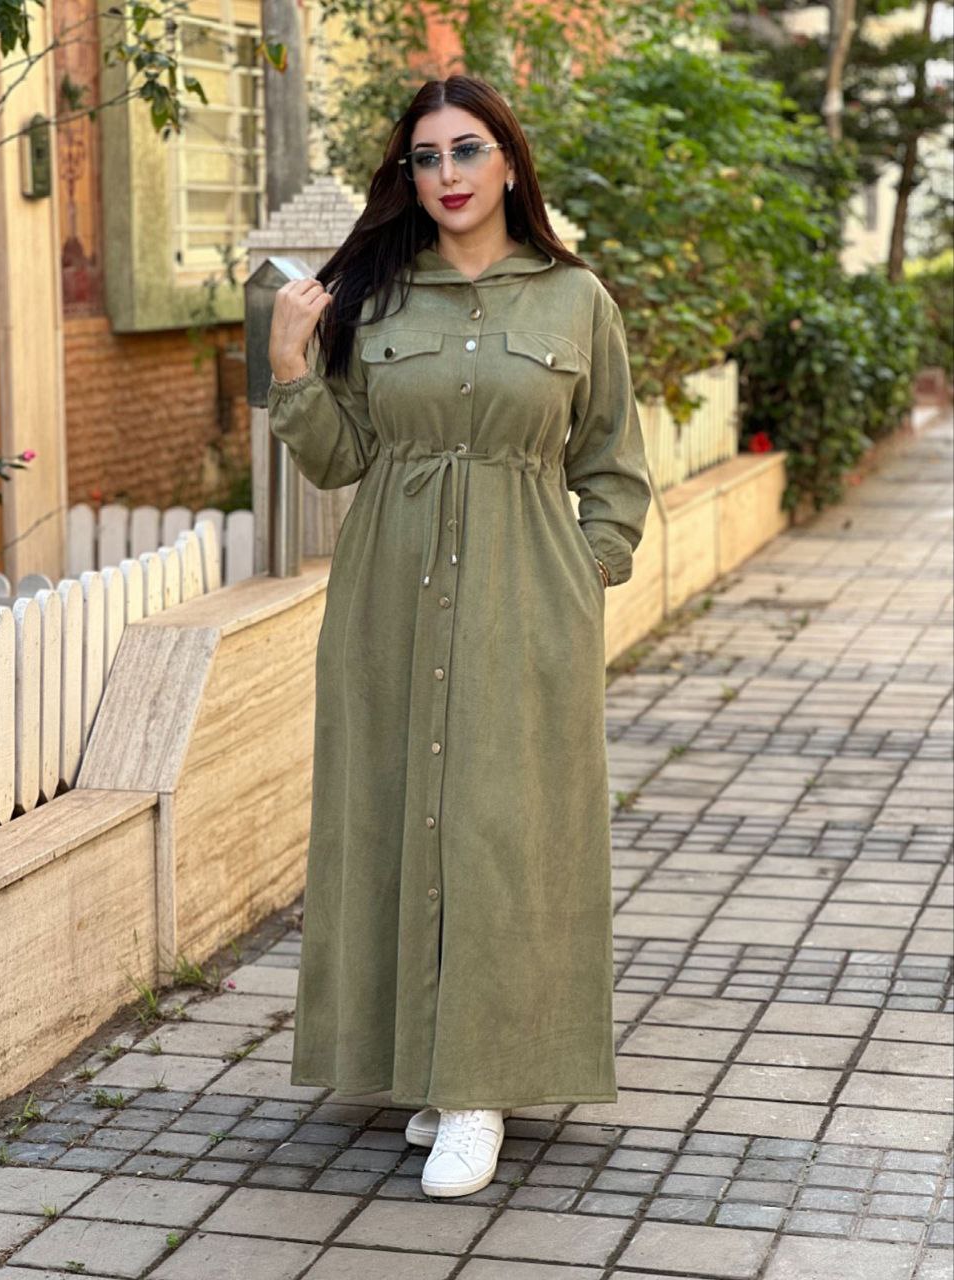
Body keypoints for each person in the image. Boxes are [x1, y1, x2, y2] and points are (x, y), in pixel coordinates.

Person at [266, 73, 651, 1200]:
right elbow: (339, 457)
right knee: (394, 819)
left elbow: (613, 464)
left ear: (509, 162)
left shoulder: (576, 299)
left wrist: (583, 575)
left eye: (468, 149)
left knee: (497, 830)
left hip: (524, 602)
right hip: (387, 600)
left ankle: (479, 1087)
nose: (447, 174)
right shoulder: (373, 298)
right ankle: (431, 1067)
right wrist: (288, 367)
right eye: (426, 157)